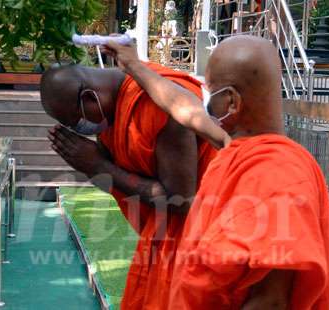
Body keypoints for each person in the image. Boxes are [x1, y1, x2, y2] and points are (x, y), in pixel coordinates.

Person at [103, 35, 329, 309]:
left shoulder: (276, 172)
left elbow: (271, 302)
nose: (204, 102)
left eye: (209, 91)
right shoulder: (239, 149)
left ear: (231, 102)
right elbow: (183, 109)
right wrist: (133, 65)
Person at [40, 63, 217, 309]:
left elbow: (180, 200)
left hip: (206, 234)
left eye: (75, 121)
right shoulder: (109, 114)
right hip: (161, 241)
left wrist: (99, 166)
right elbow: (120, 185)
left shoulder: (160, 104)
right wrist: (93, 167)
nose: (79, 129)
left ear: (90, 97)